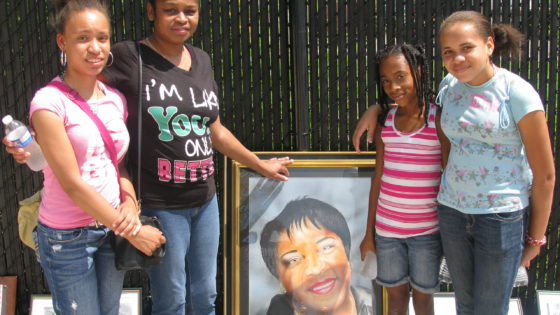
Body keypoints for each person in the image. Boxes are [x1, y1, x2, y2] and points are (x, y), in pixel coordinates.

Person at [353, 11, 555, 315]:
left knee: (489, 307)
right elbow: (410, 100)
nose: (458, 58)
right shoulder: (451, 86)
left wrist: (536, 239)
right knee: (465, 304)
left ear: (488, 45)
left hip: (498, 217)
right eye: (448, 52)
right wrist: (377, 109)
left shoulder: (518, 94)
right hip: (453, 214)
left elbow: (546, 176)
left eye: (466, 48)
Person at [19, 0, 166, 314]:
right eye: (83, 38)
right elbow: (72, 183)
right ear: (63, 42)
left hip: (109, 228)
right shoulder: (48, 103)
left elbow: (119, 165)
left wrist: (129, 202)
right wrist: (133, 230)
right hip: (67, 237)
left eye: (102, 37)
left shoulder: (115, 99)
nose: (95, 47)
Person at [358, 43, 445, 315]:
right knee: (395, 300)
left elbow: (449, 178)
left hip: (427, 233)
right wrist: (369, 234)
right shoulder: (386, 121)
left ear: (418, 71)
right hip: (388, 232)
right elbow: (378, 179)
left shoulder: (438, 118)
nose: (394, 86)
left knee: (423, 300)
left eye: (400, 76)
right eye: (386, 81)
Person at [260, 197, 374, 315]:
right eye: (294, 260)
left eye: (326, 247)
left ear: (347, 255)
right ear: (282, 281)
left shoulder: (382, 305)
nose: (315, 268)